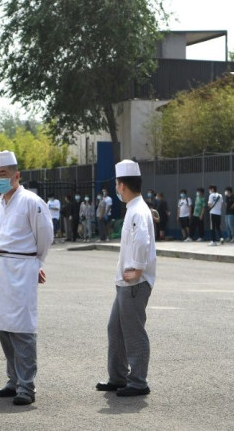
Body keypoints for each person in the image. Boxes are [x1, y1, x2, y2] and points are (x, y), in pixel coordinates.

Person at [0, 150, 54, 406]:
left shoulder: (32, 202)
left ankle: (27, 386)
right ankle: (13, 380)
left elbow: (45, 236)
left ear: (17, 175)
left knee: (23, 328)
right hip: (0, 269)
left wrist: (35, 263)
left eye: (3, 174)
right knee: (3, 325)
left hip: (22, 268)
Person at [95, 159, 156, 397]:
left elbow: (142, 240)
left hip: (134, 283)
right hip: (126, 282)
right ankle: (118, 377)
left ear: (122, 185)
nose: (116, 188)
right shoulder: (137, 208)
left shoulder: (137, 211)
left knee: (133, 332)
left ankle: (138, 381)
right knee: (115, 329)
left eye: (117, 184)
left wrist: (139, 269)